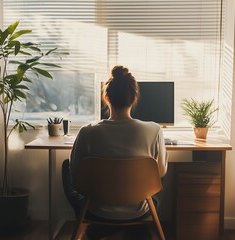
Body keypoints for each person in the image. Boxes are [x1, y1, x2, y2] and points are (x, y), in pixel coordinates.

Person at [62, 65, 168, 222]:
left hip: (97, 210)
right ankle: (139, 229)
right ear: (134, 98)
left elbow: (76, 175)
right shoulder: (154, 130)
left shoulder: (87, 132)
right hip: (140, 210)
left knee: (66, 166)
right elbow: (160, 172)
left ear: (106, 97)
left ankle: (90, 226)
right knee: (159, 177)